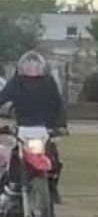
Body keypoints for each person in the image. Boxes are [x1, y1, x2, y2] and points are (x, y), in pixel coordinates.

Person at [0, 51, 68, 206]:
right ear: (21, 67)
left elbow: (58, 105)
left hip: (44, 128)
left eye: (35, 66)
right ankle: (10, 188)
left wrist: (61, 126)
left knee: (54, 159)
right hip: (23, 126)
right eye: (28, 66)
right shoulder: (16, 82)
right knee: (14, 157)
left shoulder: (49, 82)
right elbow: (2, 99)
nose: (32, 69)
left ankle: (52, 186)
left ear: (42, 67)